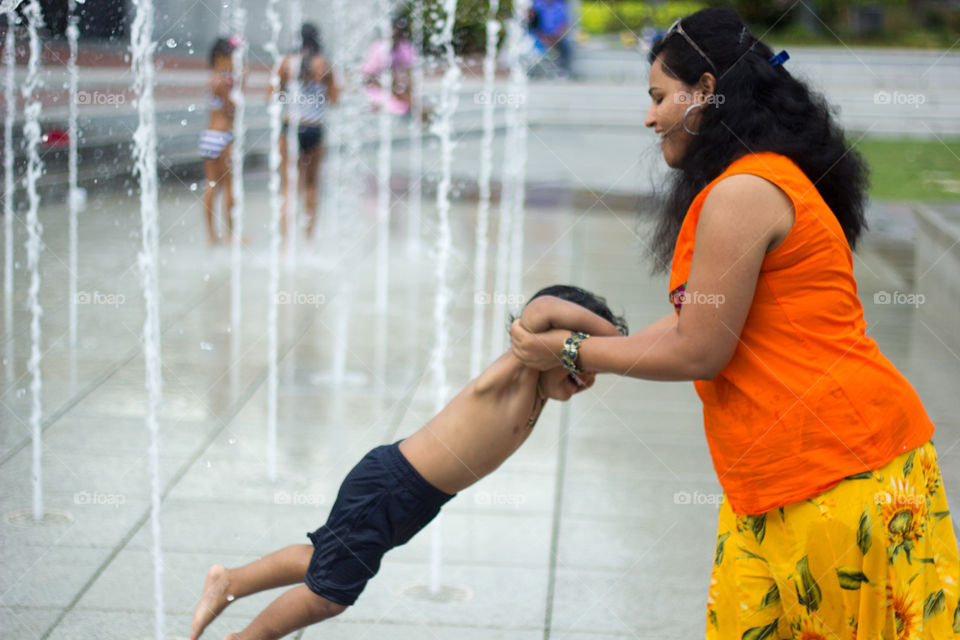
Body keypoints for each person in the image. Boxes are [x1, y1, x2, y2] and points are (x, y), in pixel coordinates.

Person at [510, 8, 960, 639]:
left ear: (705, 90)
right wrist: (593, 340)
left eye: (659, 97)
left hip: (842, 475)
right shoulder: (748, 184)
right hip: (770, 485)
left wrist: (575, 352)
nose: (649, 117)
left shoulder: (745, 191)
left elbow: (700, 351)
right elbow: (703, 330)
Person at [189, 285, 629, 640]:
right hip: (390, 485)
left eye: (592, 368)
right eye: (578, 358)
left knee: (330, 559)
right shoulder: (519, 371)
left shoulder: (538, 394)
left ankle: (230, 582)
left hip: (412, 498)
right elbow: (544, 306)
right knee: (331, 595)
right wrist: (615, 339)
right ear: (550, 345)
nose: (586, 376)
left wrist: (593, 348)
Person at [270, 23, 338, 242]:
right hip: (314, 128)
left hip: (290, 126)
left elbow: (273, 95)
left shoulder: (286, 63)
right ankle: (308, 239)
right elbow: (335, 100)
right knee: (311, 185)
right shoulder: (324, 65)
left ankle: (285, 242)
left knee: (288, 185)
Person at [198, 36, 237, 246]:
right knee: (228, 186)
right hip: (222, 137)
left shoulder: (213, 79)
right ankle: (230, 235)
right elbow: (232, 108)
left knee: (211, 186)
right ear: (220, 57)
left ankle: (211, 236)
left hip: (208, 136)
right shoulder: (222, 82)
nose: (233, 62)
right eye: (230, 57)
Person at [361, 15, 417, 115]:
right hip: (379, 88)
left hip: (397, 90)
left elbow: (409, 73)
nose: (397, 33)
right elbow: (367, 77)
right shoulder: (379, 48)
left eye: (400, 31)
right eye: (395, 29)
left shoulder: (405, 48)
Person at [531, 0, 572, 77]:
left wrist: (556, 38)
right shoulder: (536, 4)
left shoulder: (560, 5)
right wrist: (544, 37)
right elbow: (533, 24)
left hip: (556, 37)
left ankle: (564, 71)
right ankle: (533, 72)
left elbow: (565, 25)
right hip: (539, 37)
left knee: (567, 45)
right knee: (531, 45)